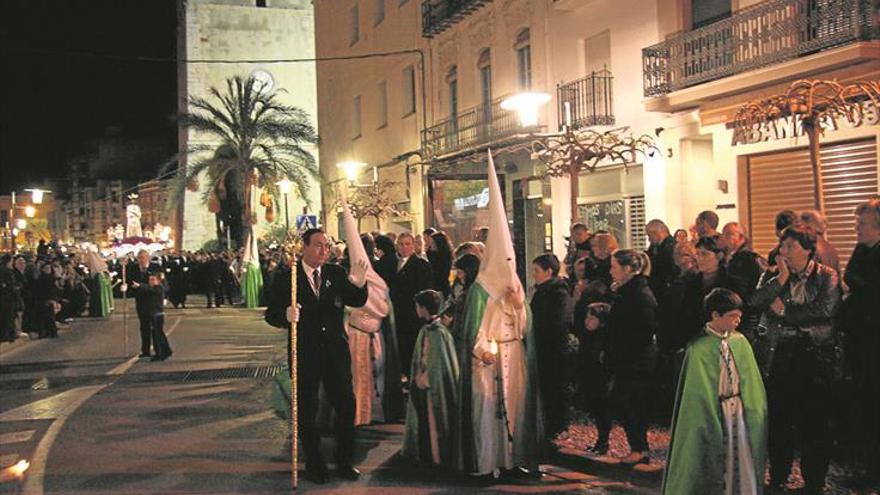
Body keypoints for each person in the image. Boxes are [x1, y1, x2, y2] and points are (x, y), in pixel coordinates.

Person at [269, 228, 370, 484]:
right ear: (304, 247)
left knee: (346, 405)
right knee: (307, 410)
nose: (323, 251)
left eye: (326, 246)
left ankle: (345, 460)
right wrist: (285, 316)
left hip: (335, 352)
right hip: (306, 352)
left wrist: (359, 282)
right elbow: (271, 314)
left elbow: (355, 300)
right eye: (317, 245)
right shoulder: (286, 278)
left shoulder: (335, 274)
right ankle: (314, 461)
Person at [749, 224, 841, 494]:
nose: (784, 251)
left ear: (808, 249)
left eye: (790, 246)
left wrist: (785, 311)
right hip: (780, 353)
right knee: (779, 419)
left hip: (814, 355)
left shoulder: (826, 276)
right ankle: (778, 476)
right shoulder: (773, 275)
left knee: (815, 421)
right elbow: (754, 301)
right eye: (782, 245)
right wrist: (780, 279)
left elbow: (825, 309)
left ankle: (814, 481)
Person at [662, 288, 767, 495]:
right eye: (732, 317)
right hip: (713, 413)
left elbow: (752, 385)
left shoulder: (740, 342)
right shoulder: (698, 348)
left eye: (739, 316)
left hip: (739, 413)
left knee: (741, 460)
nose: (737, 321)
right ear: (715, 315)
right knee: (713, 460)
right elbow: (697, 395)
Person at [839, 199, 880, 479]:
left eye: (862, 224)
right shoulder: (861, 250)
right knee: (864, 406)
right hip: (859, 341)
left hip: (874, 340)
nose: (857, 229)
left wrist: (857, 287)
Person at [606, 249, 657, 465]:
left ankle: (640, 448)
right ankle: (637, 446)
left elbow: (642, 330)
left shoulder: (639, 295)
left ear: (628, 269)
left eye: (614, 267)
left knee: (632, 403)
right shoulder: (627, 292)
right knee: (626, 402)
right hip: (627, 358)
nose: (611, 271)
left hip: (635, 360)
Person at [402, 289, 460, 467]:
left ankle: (437, 456)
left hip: (431, 386)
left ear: (423, 308)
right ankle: (428, 452)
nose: (416, 310)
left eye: (417, 306)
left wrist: (423, 378)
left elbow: (435, 362)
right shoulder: (431, 329)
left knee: (434, 421)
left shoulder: (437, 332)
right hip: (427, 383)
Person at [529, 253, 573, 446]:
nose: (534, 275)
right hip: (544, 347)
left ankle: (558, 427)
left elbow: (556, 321)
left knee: (555, 389)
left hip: (553, 349)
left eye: (536, 271)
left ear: (548, 271)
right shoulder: (543, 292)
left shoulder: (557, 293)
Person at [391, 232, 434, 377]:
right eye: (401, 244)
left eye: (407, 244)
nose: (404, 247)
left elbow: (426, 291)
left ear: (414, 245)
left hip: (413, 316)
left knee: (413, 351)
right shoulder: (391, 264)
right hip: (397, 315)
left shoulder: (421, 265)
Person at [719, 222, 767, 339]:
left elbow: (742, 290)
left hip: (745, 319)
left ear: (741, 237)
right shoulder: (729, 258)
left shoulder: (744, 259)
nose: (724, 238)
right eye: (723, 234)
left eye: (729, 235)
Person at [126, 250, 160, 357]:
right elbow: (129, 281)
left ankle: (158, 349)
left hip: (154, 301)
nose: (141, 260)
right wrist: (125, 288)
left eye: (143, 258)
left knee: (155, 326)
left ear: (148, 258)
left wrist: (140, 286)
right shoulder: (133, 269)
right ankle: (145, 350)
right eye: (139, 258)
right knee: (144, 326)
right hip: (141, 301)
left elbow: (157, 285)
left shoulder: (156, 268)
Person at [141, 272, 172, 361]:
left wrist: (140, 285)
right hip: (153, 314)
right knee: (159, 334)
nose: (151, 281)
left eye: (153, 279)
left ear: (158, 281)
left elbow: (149, 289)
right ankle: (166, 351)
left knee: (157, 335)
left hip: (157, 315)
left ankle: (160, 354)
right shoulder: (153, 288)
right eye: (150, 280)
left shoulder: (159, 288)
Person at [646, 219, 678, 303]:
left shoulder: (671, 248)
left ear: (656, 233)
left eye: (649, 235)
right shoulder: (655, 247)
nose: (649, 239)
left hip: (664, 290)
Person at [428, 231, 454, 297]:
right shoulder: (430, 253)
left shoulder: (445, 256)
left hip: (441, 287)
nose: (430, 245)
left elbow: (441, 274)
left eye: (433, 243)